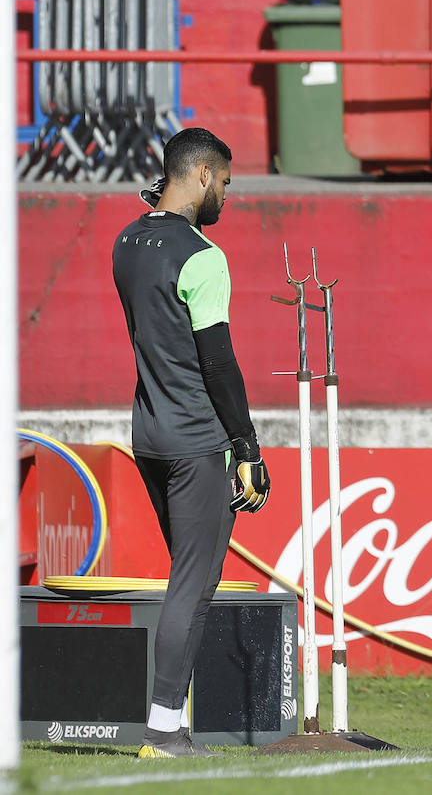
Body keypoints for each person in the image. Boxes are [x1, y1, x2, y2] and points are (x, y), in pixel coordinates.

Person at [112, 127, 271, 758]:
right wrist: (248, 447)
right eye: (226, 182)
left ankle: (172, 725)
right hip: (196, 439)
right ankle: (160, 729)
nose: (228, 196)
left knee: (192, 580)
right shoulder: (202, 256)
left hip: (148, 434)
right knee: (192, 583)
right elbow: (218, 364)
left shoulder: (127, 241)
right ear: (202, 175)